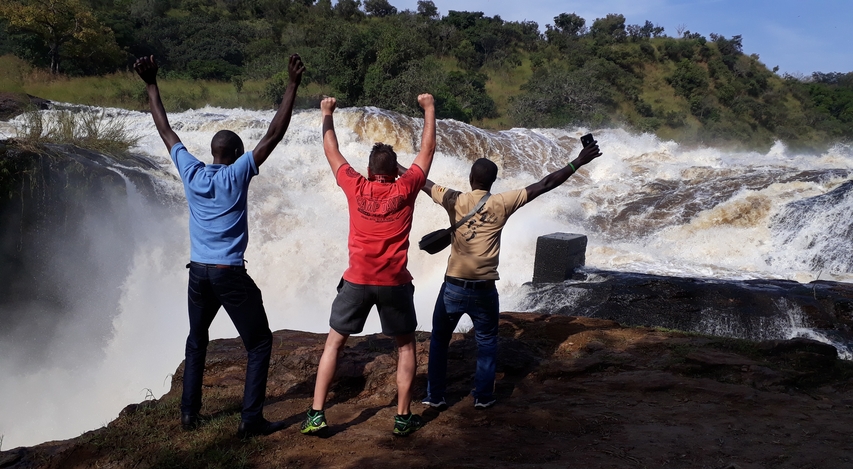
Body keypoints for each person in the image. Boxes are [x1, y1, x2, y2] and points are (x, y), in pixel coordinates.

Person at [134, 53, 305, 438]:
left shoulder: (192, 171)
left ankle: (189, 415)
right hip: (228, 273)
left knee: (197, 340)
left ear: (213, 152)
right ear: (236, 155)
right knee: (260, 342)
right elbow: (274, 134)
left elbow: (165, 131)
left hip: (198, 273)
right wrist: (292, 84)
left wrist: (151, 83)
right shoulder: (238, 174)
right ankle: (250, 420)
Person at [417, 140, 602, 410]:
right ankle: (483, 397)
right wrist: (578, 161)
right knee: (487, 342)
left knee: (439, 341)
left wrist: (394, 166)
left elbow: (422, 182)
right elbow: (546, 183)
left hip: (453, 288)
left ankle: (435, 396)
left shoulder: (453, 199)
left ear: (471, 179)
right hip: (484, 290)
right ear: (493, 182)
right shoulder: (503, 202)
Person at [300, 93, 436, 437]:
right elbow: (428, 151)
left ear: (369, 171)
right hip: (394, 282)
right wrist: (429, 109)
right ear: (394, 172)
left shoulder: (353, 184)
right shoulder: (407, 188)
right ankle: (403, 418)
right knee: (405, 346)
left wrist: (327, 114)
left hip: (356, 281)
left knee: (334, 343)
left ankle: (317, 414)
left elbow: (332, 151)